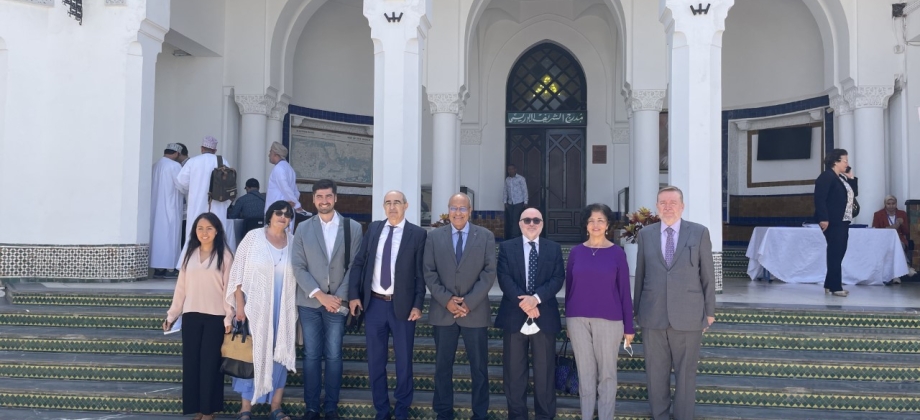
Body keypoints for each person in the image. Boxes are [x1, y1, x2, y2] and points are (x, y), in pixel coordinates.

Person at [633, 186, 715, 420]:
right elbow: (641, 274)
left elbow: (707, 275)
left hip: (688, 315)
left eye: (672, 202)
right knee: (655, 373)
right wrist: (636, 310)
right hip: (652, 314)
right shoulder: (645, 234)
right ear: (657, 206)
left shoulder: (699, 232)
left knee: (686, 374)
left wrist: (710, 311)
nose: (667, 207)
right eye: (663, 202)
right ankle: (659, 415)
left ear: (682, 206)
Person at [348, 190, 427, 420]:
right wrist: (354, 295)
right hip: (374, 305)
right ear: (383, 206)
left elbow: (420, 274)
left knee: (404, 361)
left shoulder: (418, 234)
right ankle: (381, 410)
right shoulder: (374, 229)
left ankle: (402, 409)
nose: (392, 207)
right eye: (388, 203)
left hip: (402, 307)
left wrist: (418, 304)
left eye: (397, 203)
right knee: (375, 362)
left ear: (406, 205)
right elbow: (359, 263)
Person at [292, 179, 363, 420]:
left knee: (334, 355)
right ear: (312, 200)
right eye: (319, 197)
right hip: (310, 302)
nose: (324, 201)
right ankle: (312, 407)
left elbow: (355, 266)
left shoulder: (352, 227)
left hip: (337, 304)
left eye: (328, 196)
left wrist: (338, 297)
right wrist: (321, 296)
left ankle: (331, 407)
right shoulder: (302, 228)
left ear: (335, 198)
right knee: (311, 355)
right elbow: (298, 266)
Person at [423, 193, 497, 420]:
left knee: (479, 369)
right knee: (442, 368)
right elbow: (429, 272)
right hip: (443, 312)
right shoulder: (434, 237)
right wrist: (447, 300)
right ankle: (443, 412)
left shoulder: (485, 236)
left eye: (462, 208)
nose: (458, 212)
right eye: (453, 208)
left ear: (470, 210)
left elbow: (489, 272)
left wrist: (468, 302)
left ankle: (480, 413)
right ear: (448, 210)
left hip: (474, 312)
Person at [226, 200, 298, 420]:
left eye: (287, 214)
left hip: (282, 310)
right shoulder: (253, 237)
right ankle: (245, 408)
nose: (283, 216)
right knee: (251, 355)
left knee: (279, 354)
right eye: (278, 212)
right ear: (269, 215)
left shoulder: (294, 242)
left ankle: (275, 406)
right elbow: (237, 274)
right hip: (254, 308)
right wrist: (240, 306)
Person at [565, 203, 634, 420]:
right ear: (586, 225)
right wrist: (568, 321)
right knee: (585, 374)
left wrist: (629, 327)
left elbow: (625, 291)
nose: (596, 225)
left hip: (610, 321)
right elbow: (569, 289)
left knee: (607, 375)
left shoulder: (617, 254)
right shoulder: (576, 252)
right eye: (591, 220)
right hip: (577, 320)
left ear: (608, 225)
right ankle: (586, 416)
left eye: (600, 220)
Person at [163, 212, 234, 420]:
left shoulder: (225, 256)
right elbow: (181, 288)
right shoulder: (189, 255)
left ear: (217, 231)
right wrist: (172, 315)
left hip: (215, 318)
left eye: (209, 228)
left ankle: (208, 410)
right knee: (192, 363)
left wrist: (228, 317)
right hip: (192, 316)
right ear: (195, 231)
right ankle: (197, 408)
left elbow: (229, 289)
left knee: (210, 364)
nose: (204, 232)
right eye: (200, 228)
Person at [495, 207, 564, 420]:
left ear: (542, 224)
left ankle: (544, 416)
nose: (531, 223)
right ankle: (517, 416)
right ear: (519, 223)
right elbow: (504, 278)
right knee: (514, 373)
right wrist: (526, 303)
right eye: (527, 220)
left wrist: (536, 299)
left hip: (544, 316)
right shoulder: (507, 247)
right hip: (514, 316)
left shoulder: (553, 248)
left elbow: (557, 278)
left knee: (544, 373)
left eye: (536, 220)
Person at [175, 135, 233, 250]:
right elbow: (229, 184)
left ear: (202, 148)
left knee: (195, 231)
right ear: (215, 150)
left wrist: (190, 191)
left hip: (197, 205)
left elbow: (181, 182)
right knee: (217, 231)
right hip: (218, 205)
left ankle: (192, 261)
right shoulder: (223, 161)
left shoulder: (193, 162)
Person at [814, 149, 858, 297]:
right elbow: (820, 198)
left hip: (843, 220)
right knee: (835, 252)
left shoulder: (841, 178)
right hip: (832, 221)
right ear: (835, 162)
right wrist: (823, 218)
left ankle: (829, 283)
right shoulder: (826, 176)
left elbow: (854, 194)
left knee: (839, 252)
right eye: (845, 160)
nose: (847, 163)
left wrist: (851, 177)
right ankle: (836, 287)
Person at [150, 143, 184, 279]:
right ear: (176, 153)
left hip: (155, 208)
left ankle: (158, 269)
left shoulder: (155, 165)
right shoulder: (175, 166)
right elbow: (182, 185)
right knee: (170, 236)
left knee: (158, 237)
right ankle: (170, 269)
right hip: (170, 207)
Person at [266, 141, 311, 228]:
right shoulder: (289, 168)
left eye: (270, 152)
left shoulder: (279, 168)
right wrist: (294, 203)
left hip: (278, 212)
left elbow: (285, 188)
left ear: (275, 154)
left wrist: (297, 206)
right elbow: (296, 192)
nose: (269, 155)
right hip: (287, 210)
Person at [503, 164, 528, 239]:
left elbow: (524, 190)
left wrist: (525, 201)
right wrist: (505, 201)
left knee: (515, 218)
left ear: (515, 169)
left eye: (512, 169)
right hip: (510, 203)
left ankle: (515, 236)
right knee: (511, 219)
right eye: (509, 169)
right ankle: (513, 235)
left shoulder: (521, 179)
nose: (510, 171)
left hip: (519, 202)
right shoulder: (507, 180)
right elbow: (505, 191)